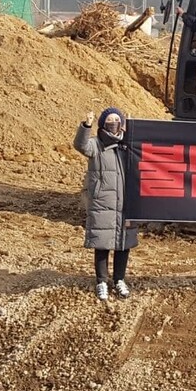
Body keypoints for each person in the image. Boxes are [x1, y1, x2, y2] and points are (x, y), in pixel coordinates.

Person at [73, 107, 138, 301]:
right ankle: (101, 281)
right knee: (102, 243)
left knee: (123, 243)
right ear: (103, 124)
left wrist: (135, 127)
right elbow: (80, 145)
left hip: (126, 201)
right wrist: (86, 125)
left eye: (117, 119)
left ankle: (119, 279)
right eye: (109, 119)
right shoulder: (96, 144)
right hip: (102, 202)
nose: (113, 122)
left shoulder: (128, 145)